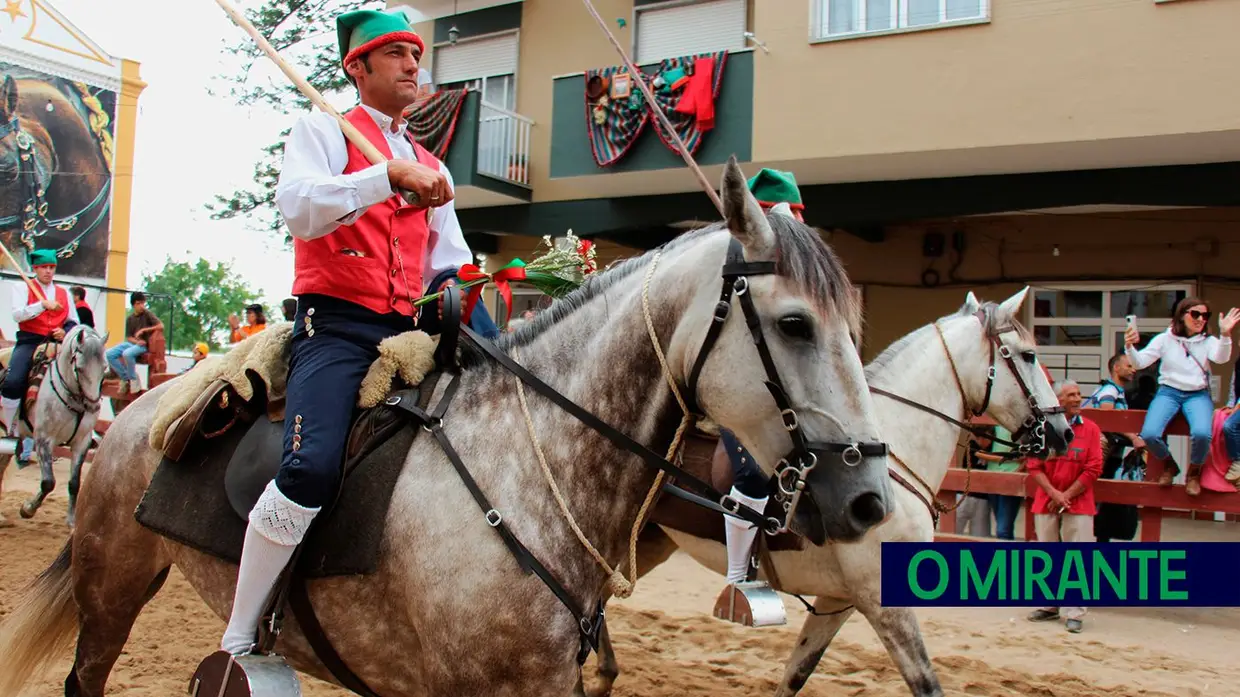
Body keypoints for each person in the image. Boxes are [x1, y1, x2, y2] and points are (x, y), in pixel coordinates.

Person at [217, 6, 499, 657]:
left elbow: (446, 259)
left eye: (415, 54)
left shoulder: (433, 161)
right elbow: (300, 206)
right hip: (336, 330)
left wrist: (467, 293)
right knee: (311, 466)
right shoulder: (322, 129)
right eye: (396, 54)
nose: (412, 65)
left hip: (411, 332)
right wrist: (386, 177)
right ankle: (239, 633)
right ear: (358, 65)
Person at [1125, 298, 1238, 496]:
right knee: (1150, 434)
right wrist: (1129, 347)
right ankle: (1169, 464)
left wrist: (1225, 334)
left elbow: (1221, 358)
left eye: (1205, 315)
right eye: (1195, 314)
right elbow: (1140, 362)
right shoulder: (1165, 339)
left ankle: (1194, 472)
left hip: (1197, 394)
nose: (1200, 319)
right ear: (1182, 314)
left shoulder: (1207, 341)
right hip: (1168, 392)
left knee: (1202, 434)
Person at [1025, 380, 1102, 633]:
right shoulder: (1043, 429)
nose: (1078, 399)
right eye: (1071, 395)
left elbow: (1094, 467)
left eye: (1079, 394)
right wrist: (1053, 493)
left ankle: (1075, 611)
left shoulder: (1090, 429)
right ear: (1058, 400)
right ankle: (1049, 604)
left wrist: (1066, 494)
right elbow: (1033, 465)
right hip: (1047, 499)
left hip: (1078, 501)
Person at [0, 249, 79, 442]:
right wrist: (41, 305)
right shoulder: (22, 288)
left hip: (56, 342)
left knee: (82, 375)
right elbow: (17, 315)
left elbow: (74, 321)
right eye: (44, 267)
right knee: (13, 381)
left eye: (52, 267)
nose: (48, 271)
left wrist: (65, 331)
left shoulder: (64, 293)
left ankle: (82, 427)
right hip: (30, 340)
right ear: (35, 268)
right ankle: (10, 427)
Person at [1087, 354, 1142, 542]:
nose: (1133, 369)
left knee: (1102, 500)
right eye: (1128, 365)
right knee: (1098, 498)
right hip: (1102, 457)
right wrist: (1134, 437)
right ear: (1116, 369)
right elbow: (1107, 415)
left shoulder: (1115, 390)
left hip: (1109, 456)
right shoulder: (1109, 391)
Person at [105, 292, 163, 394]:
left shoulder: (147, 314)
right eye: (138, 303)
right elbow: (129, 337)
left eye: (143, 303)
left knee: (127, 354)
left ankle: (133, 379)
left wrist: (144, 330)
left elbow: (161, 326)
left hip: (144, 345)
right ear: (133, 305)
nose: (141, 306)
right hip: (133, 343)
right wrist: (136, 341)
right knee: (109, 354)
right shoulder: (130, 319)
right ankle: (125, 377)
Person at [986, 424, 1023, 540]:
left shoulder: (1019, 423)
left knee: (1003, 529)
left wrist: (1018, 471)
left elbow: (1029, 454)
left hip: (1012, 477)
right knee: (1003, 527)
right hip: (993, 476)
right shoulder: (994, 424)